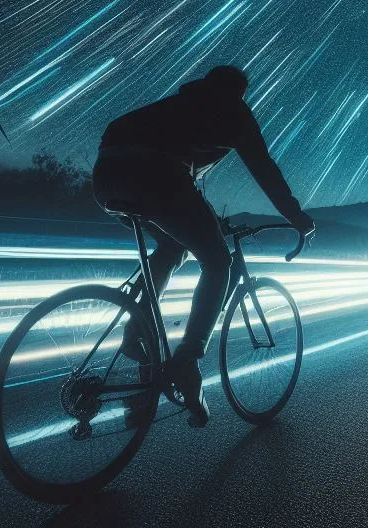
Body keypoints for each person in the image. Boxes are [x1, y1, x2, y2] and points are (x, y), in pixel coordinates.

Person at [92, 64, 315, 426]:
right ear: (238, 94)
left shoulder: (182, 102)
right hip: (158, 175)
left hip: (106, 177)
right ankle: (187, 359)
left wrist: (208, 221)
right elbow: (264, 167)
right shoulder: (235, 113)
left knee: (171, 247)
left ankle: (136, 335)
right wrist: (297, 216)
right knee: (218, 263)